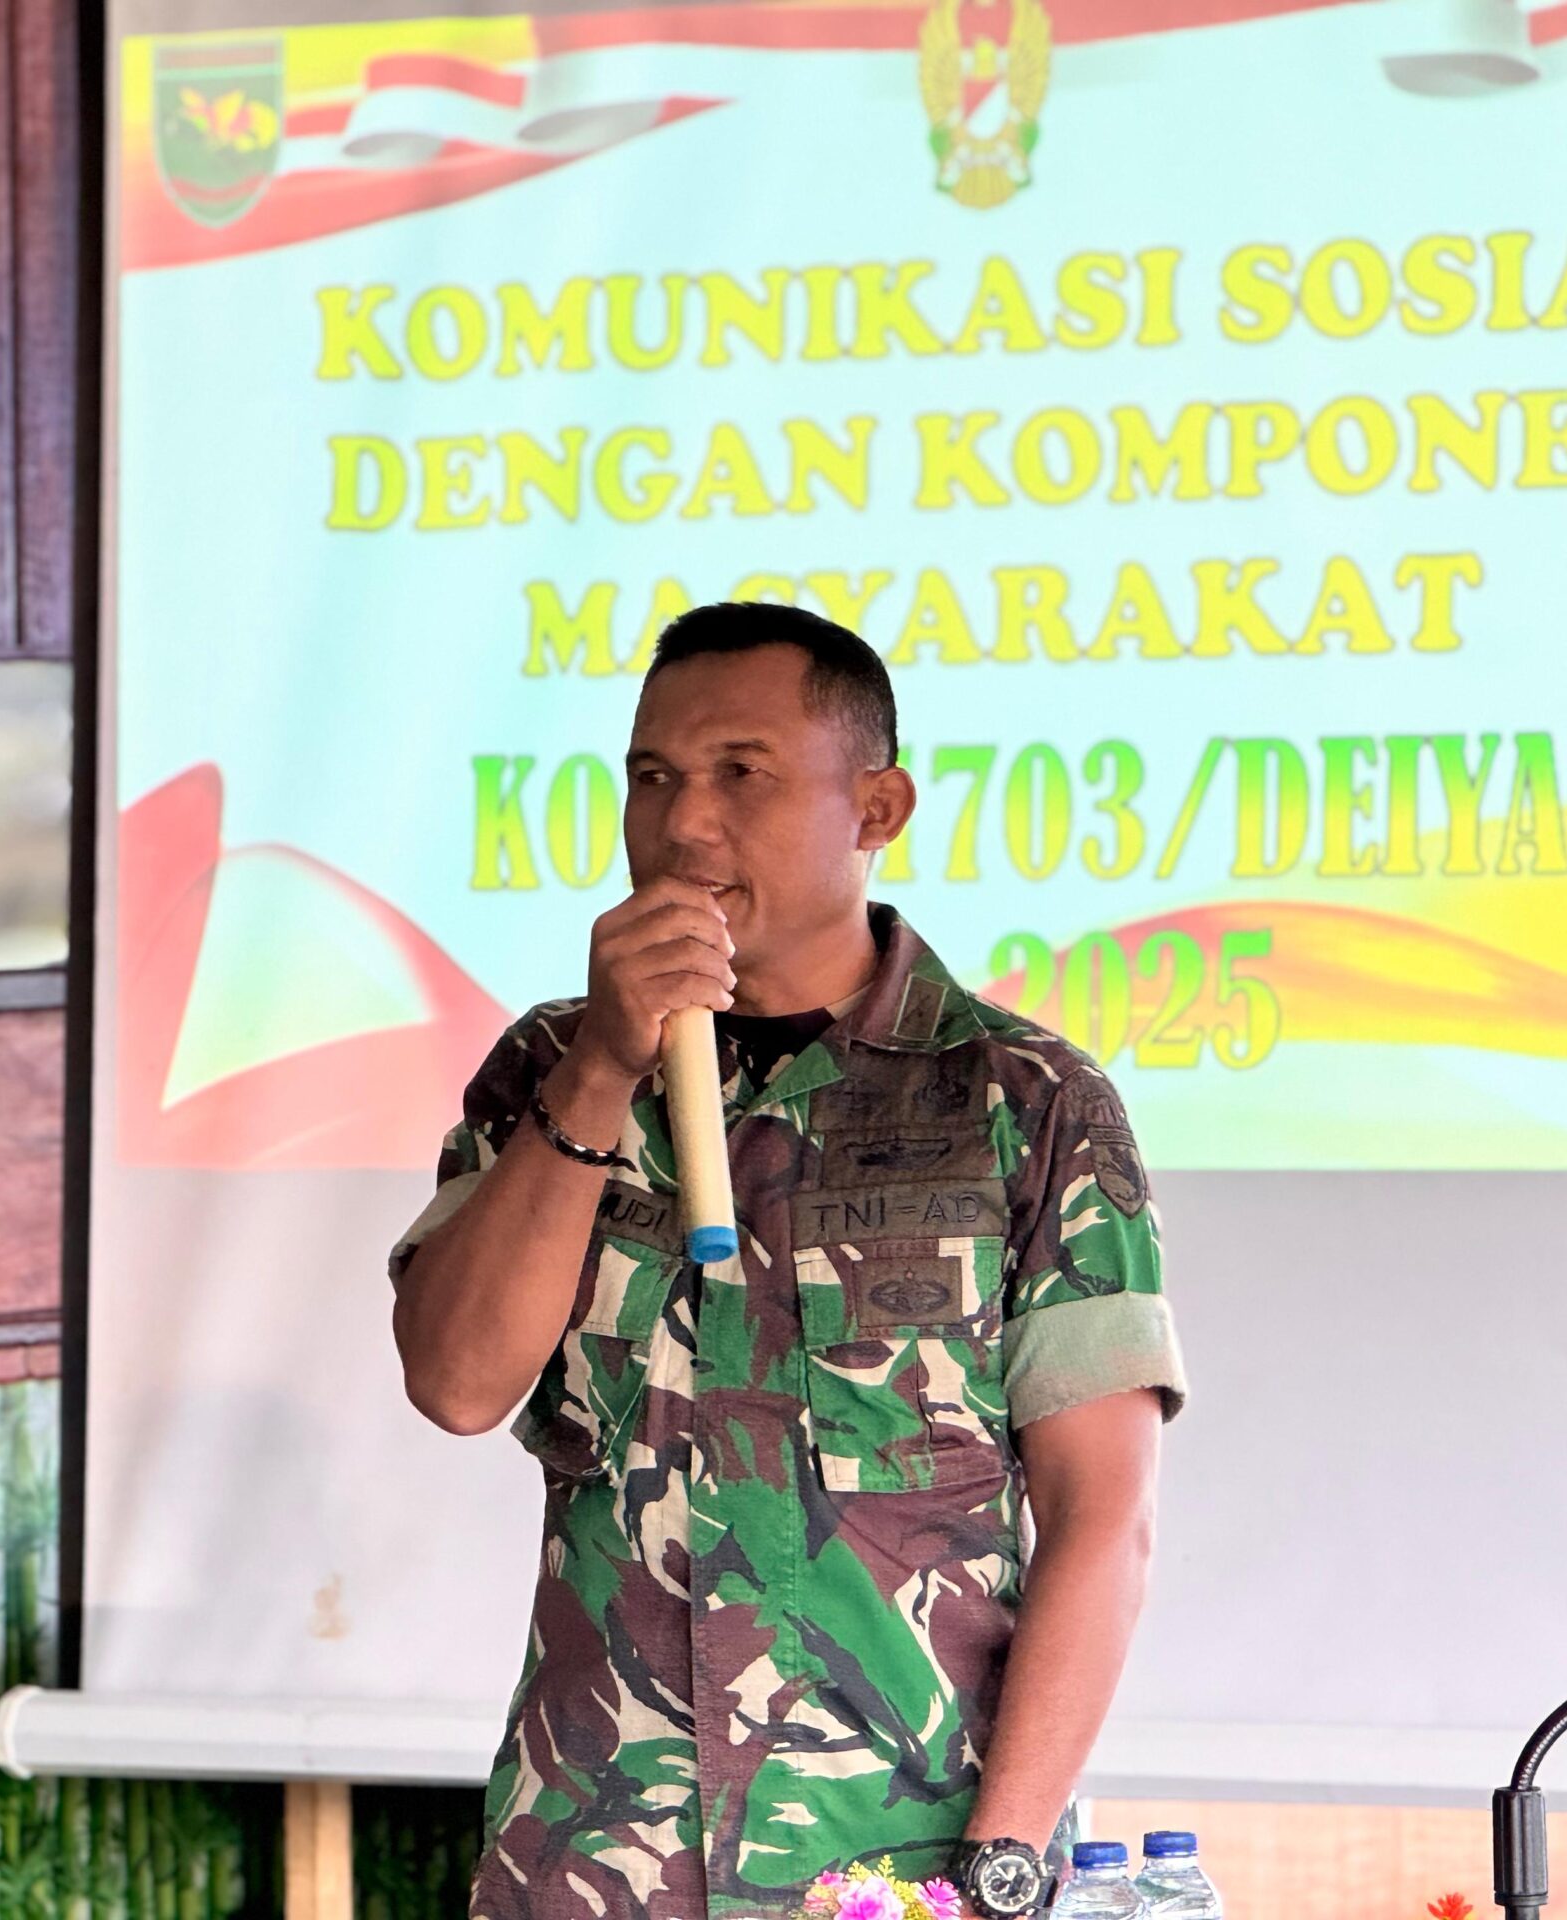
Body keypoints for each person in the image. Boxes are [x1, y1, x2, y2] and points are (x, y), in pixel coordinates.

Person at [388, 602, 1186, 1920]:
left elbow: (1105, 1519)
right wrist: (603, 1070)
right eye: (653, 777)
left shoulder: (1022, 1100)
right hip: (593, 1865)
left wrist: (998, 1865)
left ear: (878, 808)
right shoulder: (545, 1071)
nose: (685, 822)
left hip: (898, 1873)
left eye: (740, 774)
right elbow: (458, 1383)